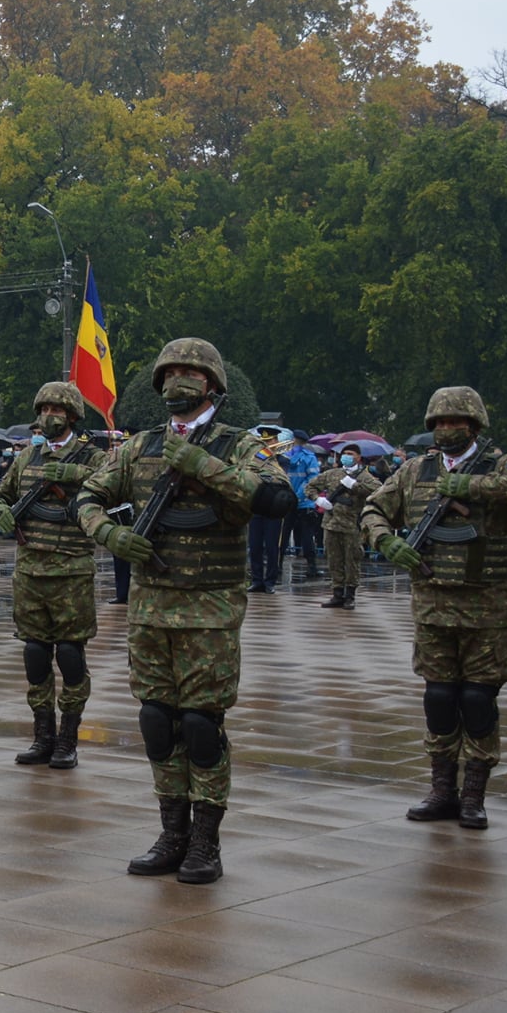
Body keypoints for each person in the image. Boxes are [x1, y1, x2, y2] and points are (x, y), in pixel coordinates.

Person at [75, 338, 293, 884]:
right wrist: (110, 535)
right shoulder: (138, 446)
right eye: (169, 372)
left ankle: (205, 843)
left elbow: (277, 499)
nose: (178, 380)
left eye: (189, 372)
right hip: (151, 607)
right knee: (157, 721)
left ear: (213, 384)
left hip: (211, 608)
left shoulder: (238, 445)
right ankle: (171, 833)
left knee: (201, 725)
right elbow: (88, 497)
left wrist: (204, 465)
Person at [360, 387, 507, 831]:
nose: (447, 429)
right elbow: (373, 508)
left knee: (478, 699)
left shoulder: (502, 465)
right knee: (440, 699)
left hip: (485, 609)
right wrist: (385, 541)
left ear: (475, 425)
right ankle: (442, 788)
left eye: (456, 422)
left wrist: (472, 485)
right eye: (440, 423)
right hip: (432, 607)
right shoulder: (414, 470)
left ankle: (474, 794)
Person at [0, 382, 105, 768]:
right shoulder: (27, 457)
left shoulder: (92, 455)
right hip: (30, 570)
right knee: (36, 654)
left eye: (57, 410)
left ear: (72, 416)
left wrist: (72, 472)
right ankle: (43, 736)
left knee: (70, 656)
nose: (49, 416)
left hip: (71, 572)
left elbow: (112, 484)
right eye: (44, 410)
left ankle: (68, 740)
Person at [306, 442, 379, 609]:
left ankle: (350, 595)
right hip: (331, 524)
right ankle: (337, 594)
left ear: (359, 457)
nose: (347, 456)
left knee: (352, 560)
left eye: (351, 454)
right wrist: (318, 499)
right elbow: (310, 486)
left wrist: (354, 486)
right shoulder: (332, 474)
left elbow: (377, 492)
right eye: (344, 453)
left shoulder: (364, 476)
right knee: (334, 560)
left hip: (352, 525)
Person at [276, 430, 322, 581]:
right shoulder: (309, 457)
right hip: (303, 502)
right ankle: (311, 567)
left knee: (284, 534)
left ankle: (278, 566)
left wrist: (289, 495)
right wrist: (298, 495)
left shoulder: (282, 456)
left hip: (288, 501)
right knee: (305, 536)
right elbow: (312, 479)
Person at [245, 426, 285, 593]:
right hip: (257, 505)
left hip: (274, 507)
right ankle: (257, 579)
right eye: (264, 441)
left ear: (276, 441)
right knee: (254, 546)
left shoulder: (282, 459)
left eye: (270, 441)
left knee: (272, 546)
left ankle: (270, 581)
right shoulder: (256, 458)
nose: (267, 444)